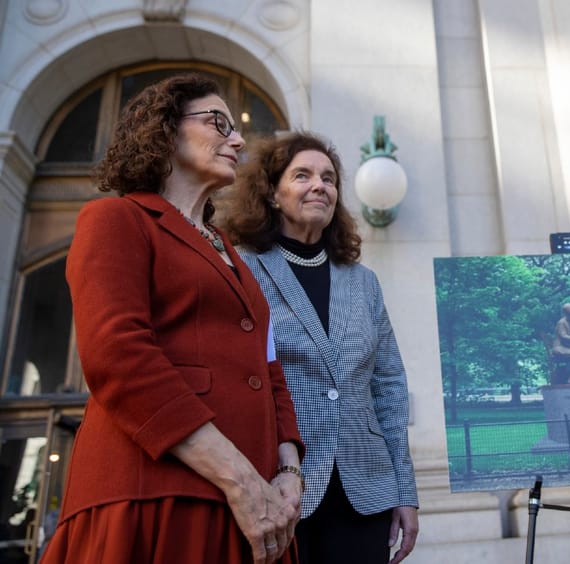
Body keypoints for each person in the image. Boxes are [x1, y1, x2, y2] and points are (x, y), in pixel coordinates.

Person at [41, 74, 304, 564]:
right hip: (157, 492)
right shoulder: (115, 219)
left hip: (257, 503)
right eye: (218, 123)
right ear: (165, 129)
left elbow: (270, 370)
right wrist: (239, 479)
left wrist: (288, 471)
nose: (238, 140)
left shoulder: (233, 253)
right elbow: (118, 357)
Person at [222, 131, 419, 564]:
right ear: (272, 194)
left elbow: (388, 386)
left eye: (329, 178)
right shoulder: (240, 268)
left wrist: (404, 490)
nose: (320, 186)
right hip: (278, 489)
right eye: (303, 175)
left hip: (366, 491)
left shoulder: (363, 281)